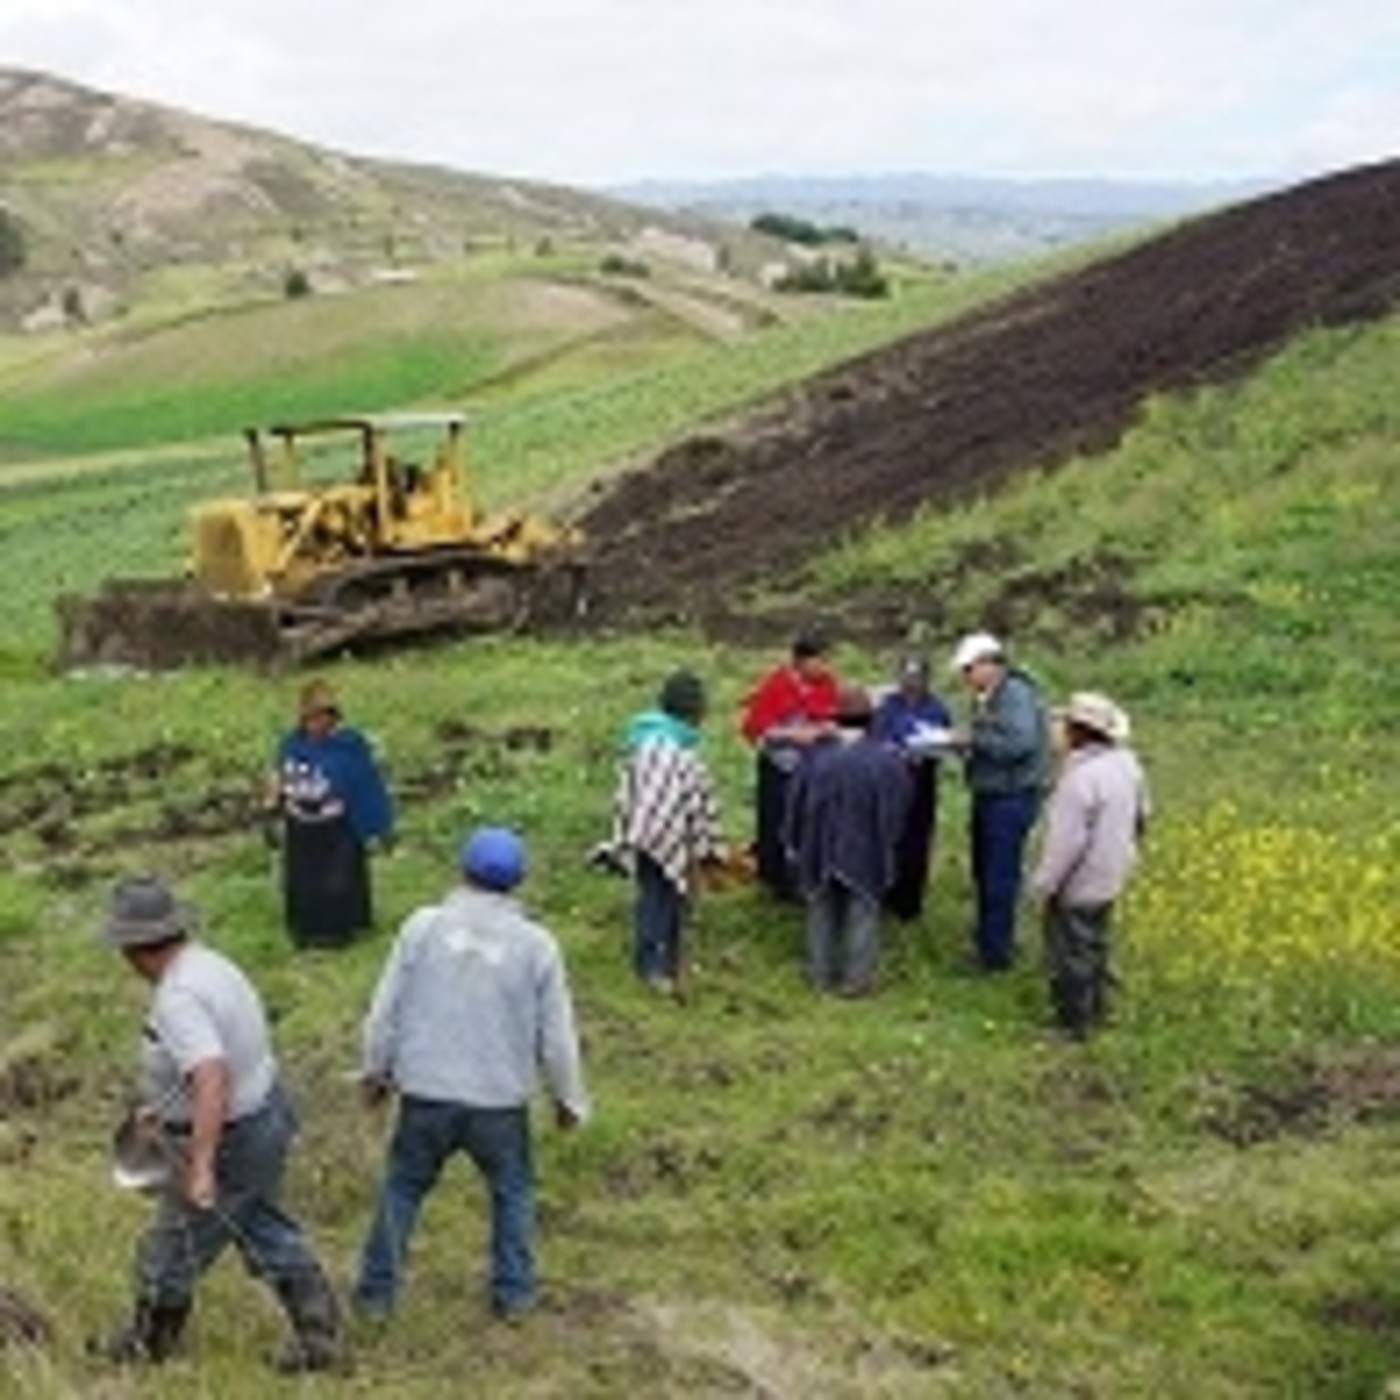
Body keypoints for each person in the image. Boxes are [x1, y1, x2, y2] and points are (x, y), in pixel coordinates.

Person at [89, 875, 342, 1373]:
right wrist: (164, 1104)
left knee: (173, 1245)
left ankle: (149, 1343)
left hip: (233, 1138)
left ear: (134, 947)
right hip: (264, 1114)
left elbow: (211, 1075)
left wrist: (202, 1165)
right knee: (261, 1227)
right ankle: (318, 1335)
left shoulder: (178, 997)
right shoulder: (211, 965)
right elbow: (223, 1056)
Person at [352, 826, 589, 1323]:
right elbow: (557, 1036)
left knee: (403, 1188)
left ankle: (376, 1296)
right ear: (518, 882)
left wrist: (376, 1071)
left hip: (427, 1090)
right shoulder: (536, 946)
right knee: (513, 1192)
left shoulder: (423, 927)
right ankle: (515, 1296)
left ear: (462, 870)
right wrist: (569, 1100)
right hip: (499, 1099)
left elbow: (384, 1010)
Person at [1031, 692, 1150, 1038]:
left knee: (1069, 954)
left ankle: (1073, 1023)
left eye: (1063, 725)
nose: (1057, 732)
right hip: (1112, 874)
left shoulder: (1080, 779)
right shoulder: (1128, 765)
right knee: (1097, 943)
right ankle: (1100, 1008)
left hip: (1078, 883)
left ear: (1078, 732)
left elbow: (1065, 844)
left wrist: (1044, 884)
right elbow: (1143, 817)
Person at [784, 684, 911, 996]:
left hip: (819, 845)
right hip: (866, 847)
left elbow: (795, 805)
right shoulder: (887, 762)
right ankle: (856, 981)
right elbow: (899, 807)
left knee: (820, 910)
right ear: (871, 720)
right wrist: (890, 840)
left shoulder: (815, 760)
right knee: (863, 911)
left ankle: (819, 975)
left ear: (836, 719)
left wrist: (794, 842)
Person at [610, 669, 727, 997]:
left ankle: (661, 961)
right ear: (694, 713)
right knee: (662, 901)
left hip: (641, 832)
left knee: (655, 895)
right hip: (668, 836)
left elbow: (628, 791)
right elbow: (697, 801)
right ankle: (655, 968)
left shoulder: (641, 739)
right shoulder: (678, 752)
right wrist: (711, 849)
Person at [948, 631, 1051, 972]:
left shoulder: (1015, 695)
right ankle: (991, 941)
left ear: (990, 664)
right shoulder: (990, 694)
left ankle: (994, 956)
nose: (965, 677)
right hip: (993, 792)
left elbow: (1020, 744)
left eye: (968, 669)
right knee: (986, 871)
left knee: (998, 876)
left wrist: (974, 740)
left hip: (1010, 797)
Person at [266, 677, 395, 948]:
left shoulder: (349, 746)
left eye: (324, 717)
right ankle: (307, 933)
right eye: (312, 718)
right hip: (302, 828)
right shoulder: (292, 745)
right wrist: (272, 806)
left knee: (340, 883)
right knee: (304, 886)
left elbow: (365, 786)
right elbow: (279, 774)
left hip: (336, 829)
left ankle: (343, 931)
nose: (318, 724)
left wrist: (379, 827)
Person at [740, 630, 840, 899]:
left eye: (827, 660)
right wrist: (794, 734)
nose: (825, 667)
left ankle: (805, 872)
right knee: (777, 821)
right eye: (819, 661)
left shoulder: (827, 682)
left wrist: (827, 727)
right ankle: (777, 878)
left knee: (807, 821)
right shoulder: (777, 685)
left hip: (813, 766)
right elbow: (755, 728)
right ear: (801, 661)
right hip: (779, 766)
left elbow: (833, 712)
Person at [871, 655, 954, 922]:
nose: (911, 683)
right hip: (890, 776)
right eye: (906, 677)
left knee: (917, 838)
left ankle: (909, 901)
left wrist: (931, 749)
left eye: (917, 678)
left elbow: (945, 741)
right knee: (888, 834)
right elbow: (876, 737)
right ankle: (885, 892)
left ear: (926, 680)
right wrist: (892, 750)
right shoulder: (887, 705)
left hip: (921, 778)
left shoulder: (937, 708)